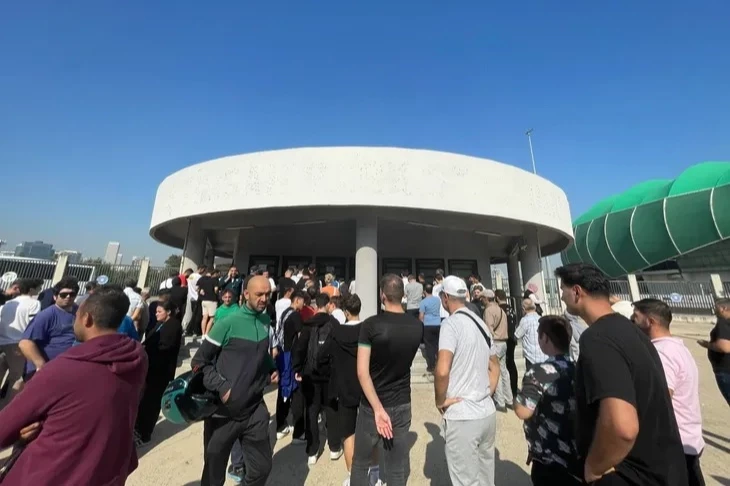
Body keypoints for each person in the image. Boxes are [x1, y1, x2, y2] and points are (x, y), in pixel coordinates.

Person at [555, 263, 687, 485]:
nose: (561, 297)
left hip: (630, 475)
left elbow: (622, 427)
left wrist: (594, 467)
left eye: (563, 290)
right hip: (664, 470)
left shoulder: (597, 338)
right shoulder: (632, 331)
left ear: (577, 292)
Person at [0, 286, 147, 485]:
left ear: (87, 319)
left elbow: (5, 428)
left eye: (76, 315)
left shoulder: (62, 370)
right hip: (107, 473)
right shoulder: (136, 358)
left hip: (53, 475)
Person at [191, 275, 278, 486]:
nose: (264, 299)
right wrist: (222, 387)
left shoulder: (265, 321)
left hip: (254, 409)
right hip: (223, 413)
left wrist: (271, 368)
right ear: (246, 294)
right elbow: (199, 362)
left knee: (261, 468)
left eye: (268, 294)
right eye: (259, 294)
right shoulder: (227, 323)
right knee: (213, 474)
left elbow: (262, 353)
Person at [351, 274, 424, 486]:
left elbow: (362, 372)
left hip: (371, 405)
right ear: (403, 295)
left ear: (382, 295)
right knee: (396, 467)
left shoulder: (370, 325)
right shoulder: (416, 326)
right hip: (402, 402)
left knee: (360, 462)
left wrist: (377, 409)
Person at [434, 276, 500, 486]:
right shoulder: (480, 323)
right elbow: (495, 366)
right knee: (486, 478)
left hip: (463, 415)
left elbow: (442, 370)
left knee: (466, 481)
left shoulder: (450, 324)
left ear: (445, 297)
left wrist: (440, 401)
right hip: (486, 412)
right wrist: (486, 393)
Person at [632, 299, 706, 486]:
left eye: (635, 318)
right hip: (688, 439)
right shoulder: (677, 347)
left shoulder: (662, 352)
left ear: (650, 321)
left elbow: (660, 399)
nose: (631, 322)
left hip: (674, 444)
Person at [513, 315, 581, 486]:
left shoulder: (539, 372)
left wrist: (518, 395)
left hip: (550, 459)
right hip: (576, 457)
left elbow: (523, 411)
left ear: (545, 338)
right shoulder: (578, 369)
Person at [325, 294, 379, 486]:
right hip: (366, 387)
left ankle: (351, 474)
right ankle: (374, 474)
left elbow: (326, 356)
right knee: (372, 432)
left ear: (346, 312)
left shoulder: (336, 332)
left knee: (348, 434)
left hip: (344, 387)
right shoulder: (368, 330)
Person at [293, 293, 342, 465]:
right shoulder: (334, 323)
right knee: (331, 409)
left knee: (312, 411)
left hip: (310, 373)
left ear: (316, 306)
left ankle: (312, 451)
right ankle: (334, 447)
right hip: (330, 374)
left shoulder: (308, 324)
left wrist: (297, 368)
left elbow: (300, 348)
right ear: (328, 305)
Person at [135, 299, 183, 447]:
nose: (156, 314)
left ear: (168, 312)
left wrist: (147, 350)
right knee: (144, 400)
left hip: (160, 371)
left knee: (152, 402)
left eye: (159, 311)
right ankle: (138, 428)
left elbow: (164, 348)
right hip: (151, 369)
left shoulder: (173, 326)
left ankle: (145, 434)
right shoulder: (160, 324)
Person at [19, 277, 79, 380]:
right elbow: (25, 343)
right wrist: (41, 364)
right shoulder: (46, 315)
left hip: (67, 368)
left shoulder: (78, 312)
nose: (68, 297)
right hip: (46, 370)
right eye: (63, 295)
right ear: (55, 297)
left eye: (72, 294)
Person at [0, 278, 42, 408]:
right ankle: (5, 409)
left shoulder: (8, 303)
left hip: (2, 342)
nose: (40, 290)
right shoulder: (34, 303)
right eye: (38, 288)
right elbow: (33, 325)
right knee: (16, 378)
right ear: (31, 289)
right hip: (18, 345)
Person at [274, 290, 306, 442]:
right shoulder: (296, 316)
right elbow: (301, 338)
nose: (304, 304)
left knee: (283, 390)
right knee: (297, 393)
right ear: (297, 300)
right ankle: (298, 433)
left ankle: (281, 426)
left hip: (282, 356)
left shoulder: (285, 313)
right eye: (303, 301)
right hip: (292, 358)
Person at [482, 289, 511, 410]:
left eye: (483, 298)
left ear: (486, 298)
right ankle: (509, 399)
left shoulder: (489, 311)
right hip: (504, 342)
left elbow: (488, 330)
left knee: (495, 370)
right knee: (504, 371)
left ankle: (500, 401)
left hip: (496, 343)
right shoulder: (500, 309)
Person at [699, 298, 730, 406]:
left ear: (723, 308)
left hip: (726, 370)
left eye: (715, 307)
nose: (714, 310)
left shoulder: (723, 322)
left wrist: (707, 345)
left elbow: (724, 347)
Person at [494, 289, 519, 398]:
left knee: (505, 366)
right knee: (511, 364)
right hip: (512, 339)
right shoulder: (511, 309)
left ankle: (507, 390)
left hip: (504, 339)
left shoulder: (500, 310)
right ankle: (513, 388)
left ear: (497, 298)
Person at [515, 298, 549, 369]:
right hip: (544, 355)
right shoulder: (542, 319)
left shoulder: (525, 320)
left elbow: (517, 335)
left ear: (523, 309)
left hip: (531, 356)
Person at [418, 283, 442, 379]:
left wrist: (422, 323)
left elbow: (421, 316)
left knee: (429, 346)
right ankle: (439, 363)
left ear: (424, 291)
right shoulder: (437, 300)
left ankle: (431, 365)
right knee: (437, 344)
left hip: (428, 325)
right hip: (438, 323)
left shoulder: (423, 302)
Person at [197, 269, 220, 336]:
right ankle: (207, 333)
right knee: (212, 317)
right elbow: (216, 289)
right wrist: (217, 293)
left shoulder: (204, 280)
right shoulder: (215, 280)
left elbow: (198, 289)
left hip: (204, 300)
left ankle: (203, 333)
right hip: (212, 300)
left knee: (204, 317)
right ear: (215, 273)